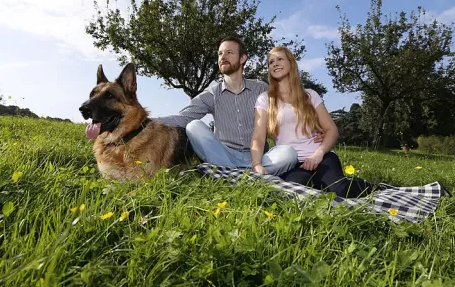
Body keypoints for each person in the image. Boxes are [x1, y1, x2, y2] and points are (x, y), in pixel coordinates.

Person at [157, 36, 302, 176]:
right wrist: (145, 121)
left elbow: (286, 112)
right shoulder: (212, 93)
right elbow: (183, 117)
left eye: (229, 52)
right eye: (220, 53)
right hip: (223, 155)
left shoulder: (260, 88)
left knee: (288, 153)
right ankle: (244, 174)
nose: (223, 56)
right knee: (193, 126)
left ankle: (232, 175)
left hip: (259, 158)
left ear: (242, 58)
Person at [250, 46, 374, 198]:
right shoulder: (265, 99)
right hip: (292, 163)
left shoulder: (310, 95)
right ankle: (321, 183)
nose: (275, 63)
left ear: (291, 63)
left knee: (340, 191)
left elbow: (331, 130)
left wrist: (318, 154)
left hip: (320, 157)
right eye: (271, 62)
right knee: (295, 193)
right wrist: (256, 164)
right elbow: (258, 137)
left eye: (280, 59)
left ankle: (369, 186)